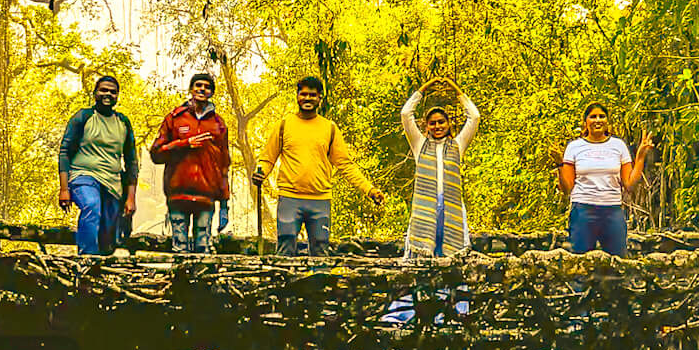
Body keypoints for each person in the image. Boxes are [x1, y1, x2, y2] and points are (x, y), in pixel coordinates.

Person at [252, 75, 385, 256]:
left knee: (321, 249)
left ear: (320, 98)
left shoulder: (329, 128)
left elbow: (345, 165)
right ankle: (284, 284)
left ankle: (318, 283)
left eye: (312, 95)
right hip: (289, 198)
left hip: (320, 200)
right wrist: (261, 172)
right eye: (304, 94)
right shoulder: (284, 125)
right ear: (297, 96)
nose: (307, 98)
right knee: (285, 246)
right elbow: (267, 158)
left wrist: (369, 190)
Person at [150, 70, 231, 253]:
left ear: (212, 92)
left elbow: (224, 164)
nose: (202, 89)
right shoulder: (175, 118)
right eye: (198, 85)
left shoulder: (218, 124)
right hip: (178, 194)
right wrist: (184, 144)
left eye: (207, 87)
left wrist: (224, 204)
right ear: (191, 89)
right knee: (180, 246)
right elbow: (156, 154)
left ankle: (202, 282)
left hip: (206, 196)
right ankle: (179, 282)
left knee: (203, 247)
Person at [58, 75, 139, 255]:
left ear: (118, 95)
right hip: (83, 176)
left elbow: (131, 161)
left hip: (113, 183)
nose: (108, 94)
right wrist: (64, 189)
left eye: (113, 92)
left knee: (108, 232)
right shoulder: (84, 117)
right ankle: (87, 259)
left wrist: (131, 197)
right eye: (103, 90)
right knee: (91, 206)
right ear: (95, 93)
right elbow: (65, 152)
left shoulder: (123, 122)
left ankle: (100, 267)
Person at [560, 105, 654, 256]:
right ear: (585, 122)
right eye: (593, 116)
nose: (598, 120)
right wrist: (560, 165)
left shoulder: (618, 146)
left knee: (618, 262)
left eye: (602, 116)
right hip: (583, 210)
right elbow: (567, 188)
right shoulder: (574, 147)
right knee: (580, 262)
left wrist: (641, 157)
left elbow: (629, 185)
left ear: (607, 121)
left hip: (612, 210)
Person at [400, 81, 479, 258]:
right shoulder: (419, 145)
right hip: (425, 207)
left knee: (451, 254)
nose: (437, 126)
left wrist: (455, 89)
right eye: (433, 123)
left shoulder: (458, 145)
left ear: (448, 124)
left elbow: (474, 116)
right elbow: (406, 114)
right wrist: (424, 88)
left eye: (441, 122)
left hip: (452, 207)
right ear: (426, 126)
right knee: (422, 254)